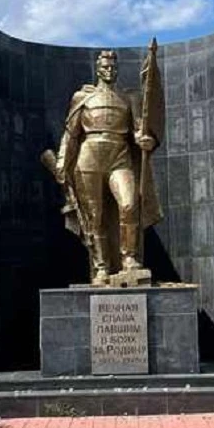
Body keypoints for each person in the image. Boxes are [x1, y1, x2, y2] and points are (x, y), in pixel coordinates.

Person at [53, 49, 160, 286]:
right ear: (97, 68)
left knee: (129, 203)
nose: (109, 70)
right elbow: (71, 135)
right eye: (105, 66)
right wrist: (62, 162)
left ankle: (129, 258)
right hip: (88, 156)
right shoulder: (82, 97)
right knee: (95, 216)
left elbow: (140, 131)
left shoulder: (129, 98)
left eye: (113, 66)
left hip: (119, 154)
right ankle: (101, 266)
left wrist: (147, 140)